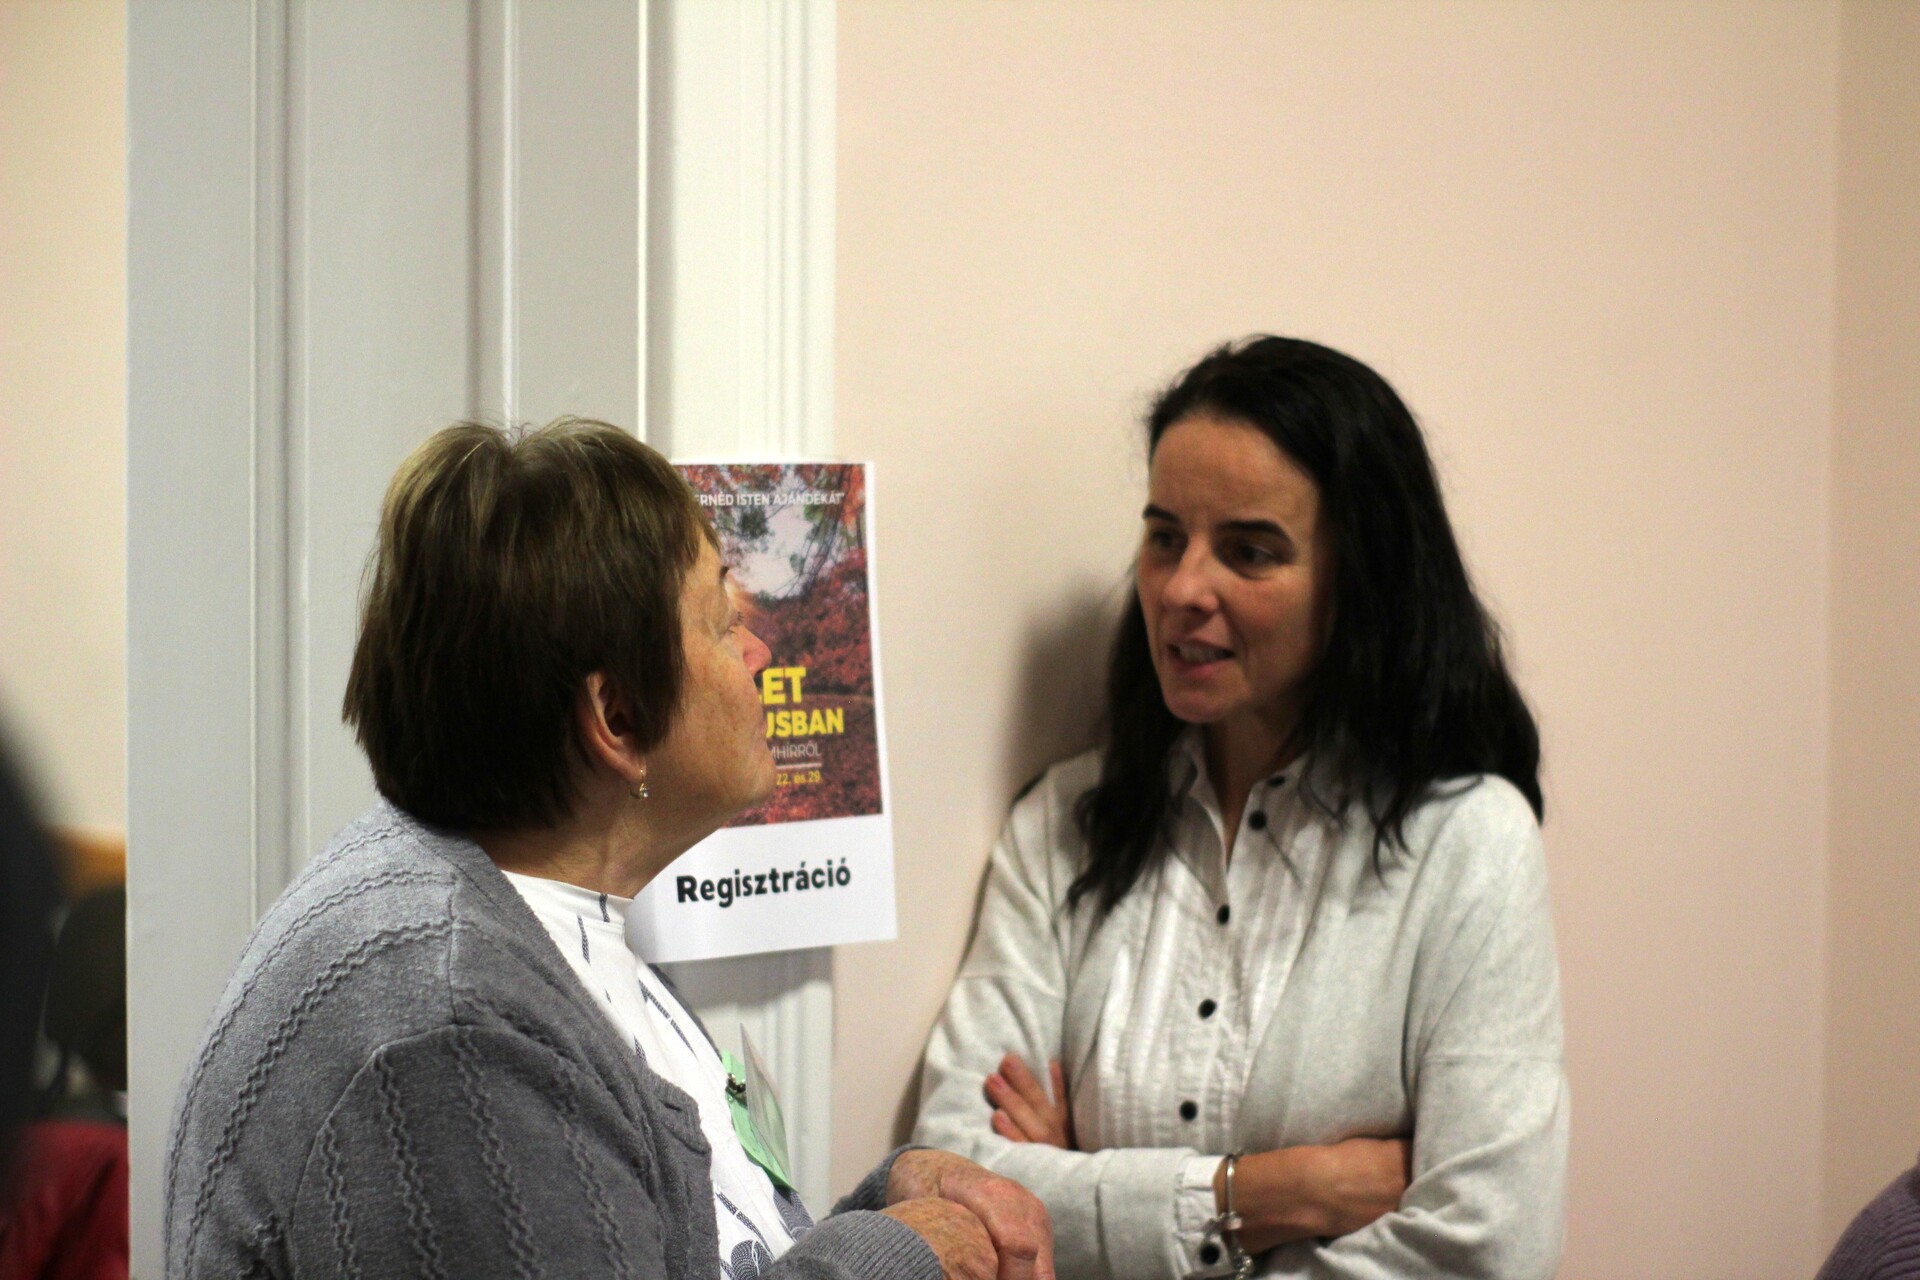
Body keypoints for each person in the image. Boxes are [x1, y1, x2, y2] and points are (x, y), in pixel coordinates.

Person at [165, 420, 1051, 1280]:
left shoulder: (539, 917)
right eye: (721, 622)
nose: (758, 651)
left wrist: (889, 1202)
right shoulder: (452, 1026)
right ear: (618, 718)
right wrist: (904, 1256)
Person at [914, 338, 1567, 1279]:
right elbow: (949, 1188)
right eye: (1165, 537)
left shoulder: (1469, 843)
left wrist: (1082, 1188)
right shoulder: (1064, 823)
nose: (1182, 590)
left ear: (1362, 581)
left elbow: (1490, 1248)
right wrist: (1276, 1193)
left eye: (1250, 552)